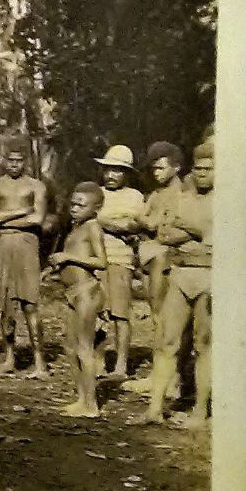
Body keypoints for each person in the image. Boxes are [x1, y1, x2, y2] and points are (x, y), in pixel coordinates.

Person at [144, 141, 214, 427]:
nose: (201, 174)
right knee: (166, 342)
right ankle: (154, 409)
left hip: (210, 276)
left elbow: (215, 234)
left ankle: (199, 411)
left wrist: (187, 228)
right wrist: (195, 231)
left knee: (204, 344)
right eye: (198, 168)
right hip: (181, 273)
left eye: (208, 170)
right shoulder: (182, 197)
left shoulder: (225, 200)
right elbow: (163, 234)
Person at [125, 142, 189, 397]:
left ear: (176, 167)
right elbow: (143, 221)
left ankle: (172, 379)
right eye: (153, 169)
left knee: (168, 320)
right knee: (157, 320)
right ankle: (160, 376)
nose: (156, 173)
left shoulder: (182, 192)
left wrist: (142, 220)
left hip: (167, 258)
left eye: (161, 168)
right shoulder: (156, 194)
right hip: (150, 258)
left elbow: (159, 226)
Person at [0, 138, 48, 377]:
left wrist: (3, 218)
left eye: (19, 160)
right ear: (4, 160)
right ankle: (9, 357)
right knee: (6, 305)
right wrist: (20, 211)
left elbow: (37, 219)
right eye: (10, 160)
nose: (14, 164)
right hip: (1, 245)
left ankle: (40, 363)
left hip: (26, 244)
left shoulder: (36, 186)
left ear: (25, 162)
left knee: (30, 304)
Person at [48, 182, 109, 418]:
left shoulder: (93, 227)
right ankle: (82, 399)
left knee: (84, 348)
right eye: (72, 204)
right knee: (70, 348)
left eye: (81, 205)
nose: (74, 208)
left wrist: (68, 256)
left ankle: (91, 405)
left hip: (87, 292)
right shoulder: (76, 228)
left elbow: (101, 262)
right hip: (73, 292)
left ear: (96, 208)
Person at [93, 145, 146, 379]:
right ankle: (98, 362)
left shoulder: (135, 197)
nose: (111, 175)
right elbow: (82, 220)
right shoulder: (96, 193)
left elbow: (134, 225)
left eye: (117, 170)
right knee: (96, 313)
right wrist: (117, 223)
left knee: (120, 314)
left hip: (120, 260)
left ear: (126, 173)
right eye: (108, 170)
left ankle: (121, 366)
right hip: (94, 259)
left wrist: (102, 221)